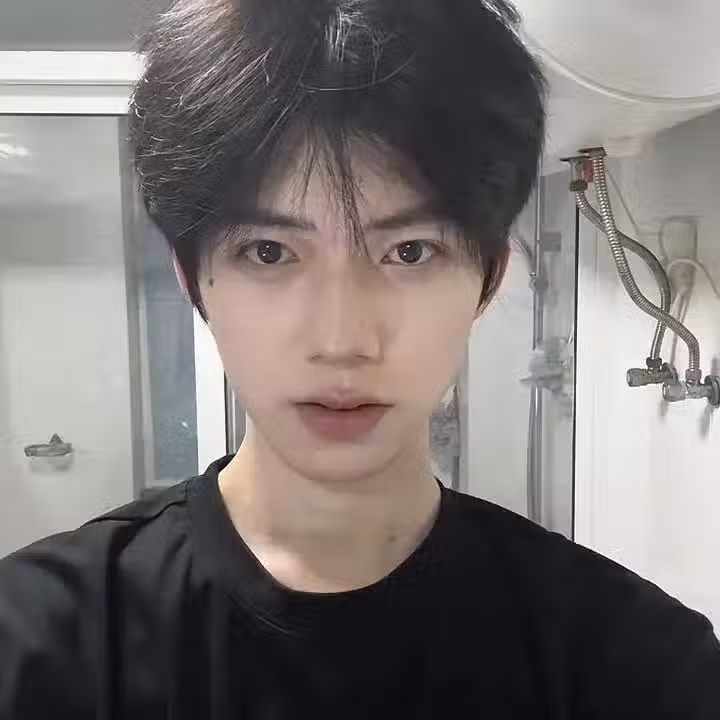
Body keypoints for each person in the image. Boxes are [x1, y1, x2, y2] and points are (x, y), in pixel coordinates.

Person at [1, 0, 719, 717]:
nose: (342, 339)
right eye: (269, 252)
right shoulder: (38, 645)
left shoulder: (635, 663)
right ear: (193, 283)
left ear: (488, 280)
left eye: (410, 251)